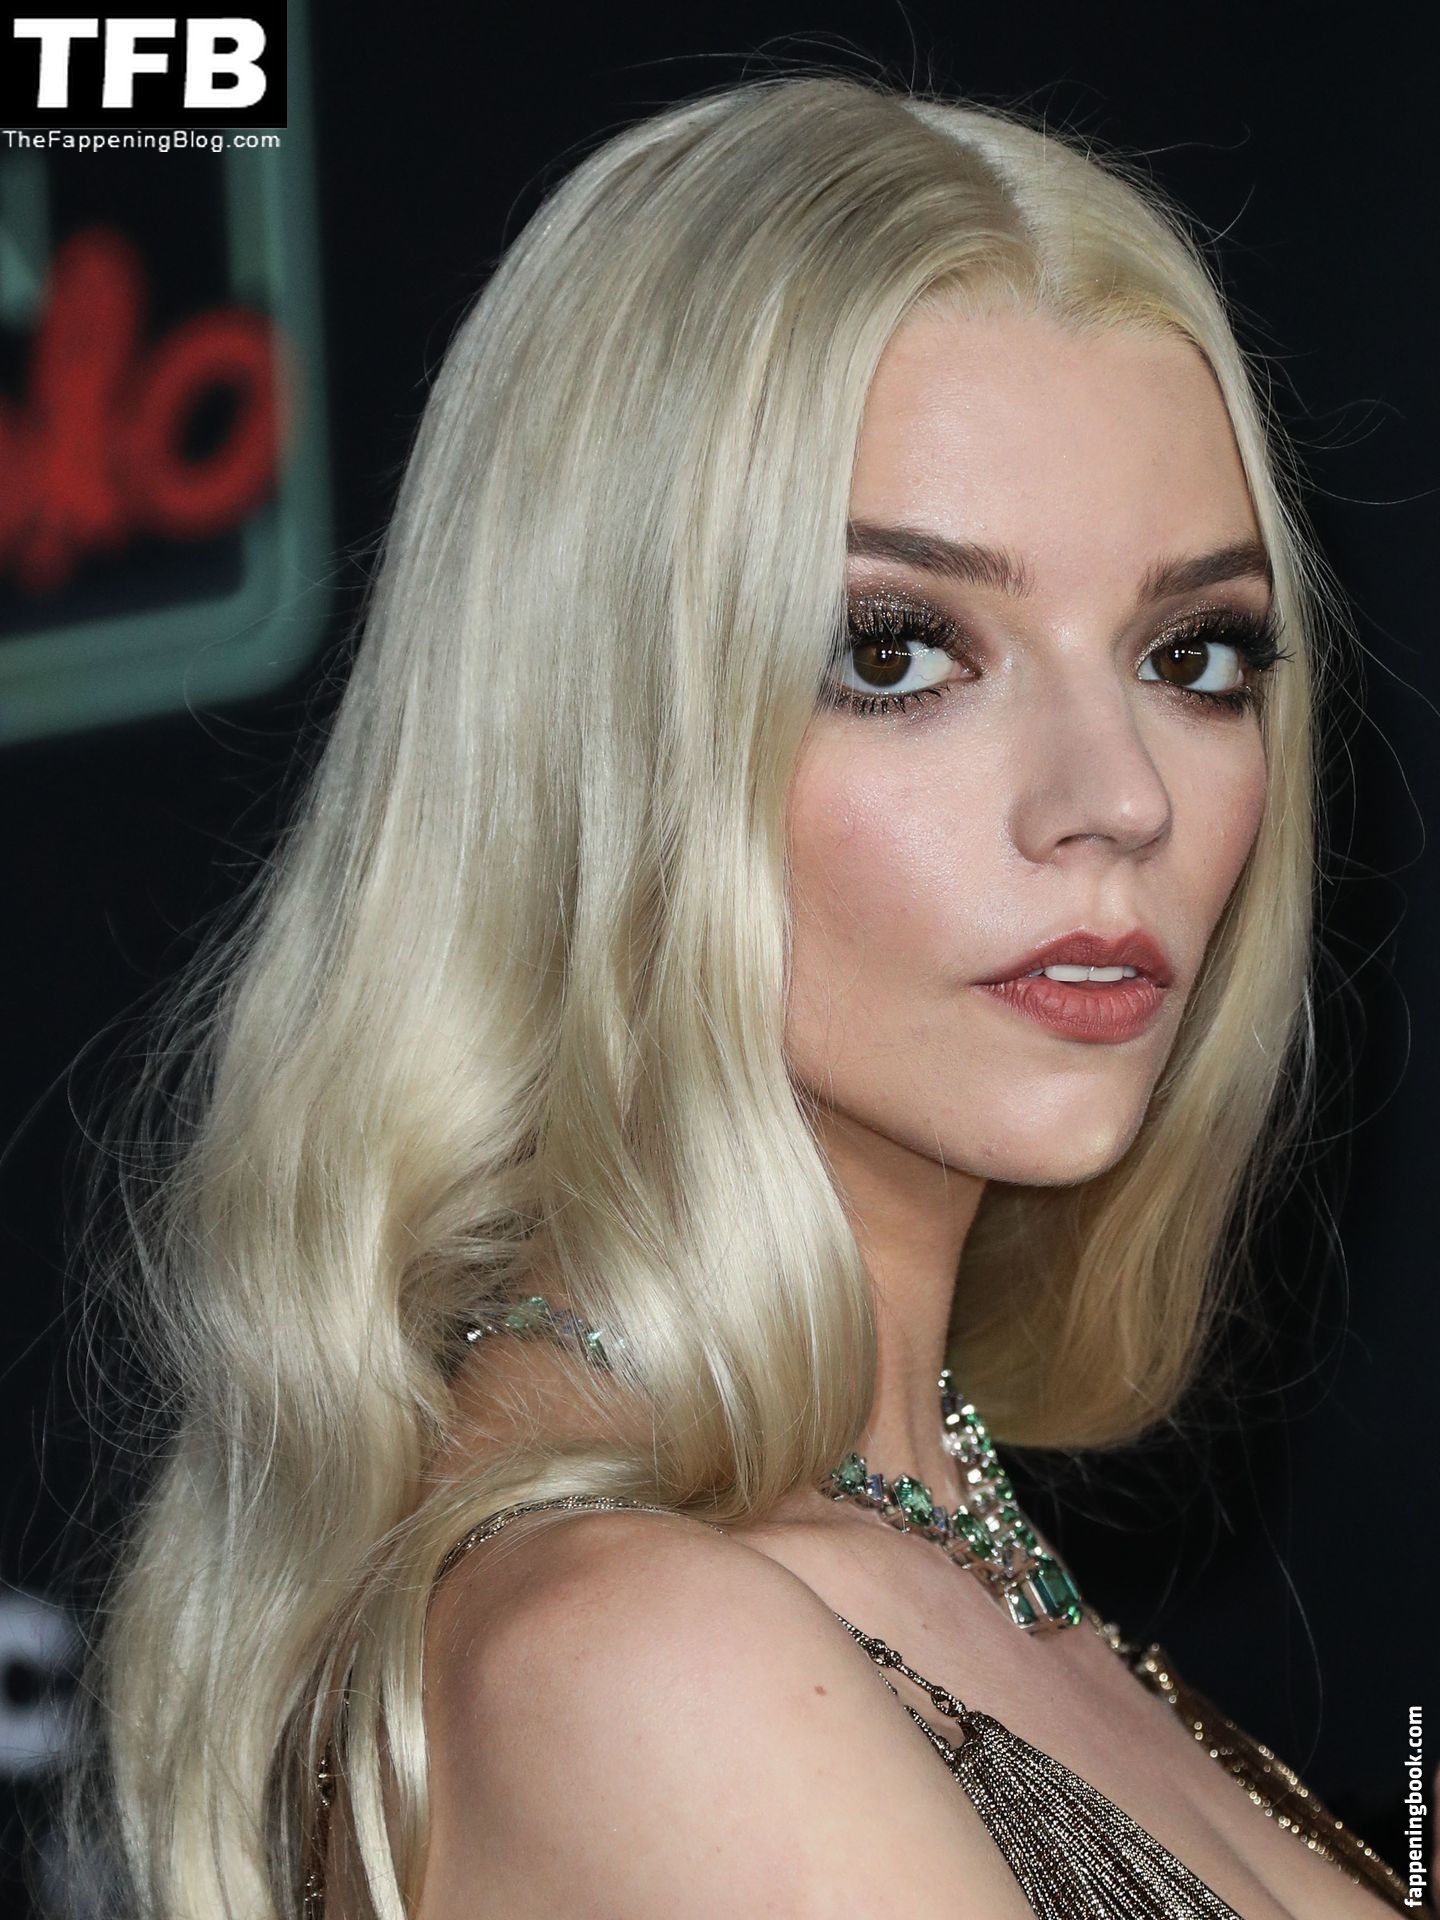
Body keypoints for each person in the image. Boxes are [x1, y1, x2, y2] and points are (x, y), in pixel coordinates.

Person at [60, 69, 1415, 1920]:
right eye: (900, 651)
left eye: (1194, 654)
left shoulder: (921, 1566)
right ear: (601, 726)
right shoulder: (643, 1666)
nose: (1120, 798)